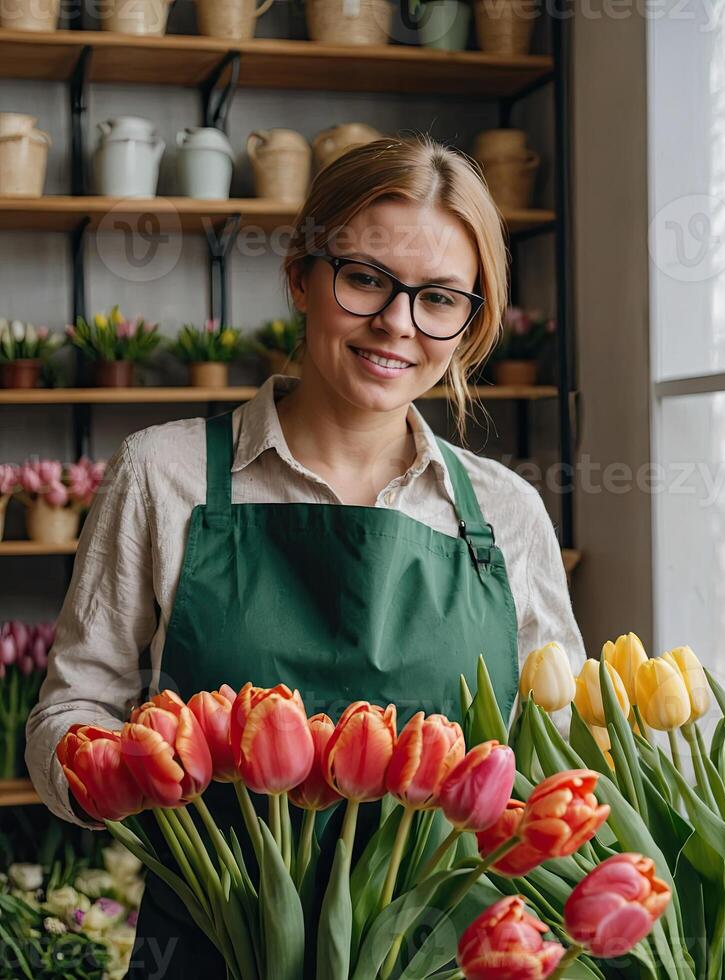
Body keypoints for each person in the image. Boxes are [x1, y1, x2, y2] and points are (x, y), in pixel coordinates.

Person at [25, 134, 586, 977]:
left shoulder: (503, 513)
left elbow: (554, 751)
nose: (398, 323)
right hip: (214, 950)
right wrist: (112, 770)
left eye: (438, 299)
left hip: (442, 958)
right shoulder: (166, 473)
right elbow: (70, 711)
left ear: (469, 321)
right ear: (300, 275)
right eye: (365, 280)